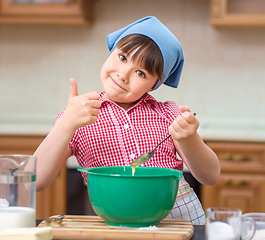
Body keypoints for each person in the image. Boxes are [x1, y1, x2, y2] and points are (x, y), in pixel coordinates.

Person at [34, 16, 220, 225]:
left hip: (180, 221)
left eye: (140, 73)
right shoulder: (78, 115)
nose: (123, 75)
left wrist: (189, 139)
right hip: (119, 220)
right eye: (122, 57)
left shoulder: (168, 114)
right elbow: (35, 180)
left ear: (153, 85)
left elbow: (211, 176)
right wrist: (67, 122)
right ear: (111, 51)